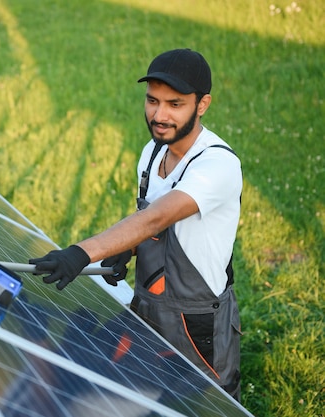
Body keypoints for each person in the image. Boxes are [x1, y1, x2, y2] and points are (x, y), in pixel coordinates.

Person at [29, 48, 243, 400]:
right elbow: (149, 226)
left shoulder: (216, 165)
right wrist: (126, 251)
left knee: (201, 404)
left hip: (197, 325)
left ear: (202, 104)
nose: (159, 115)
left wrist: (83, 253)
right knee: (101, 384)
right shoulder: (153, 151)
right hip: (146, 307)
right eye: (152, 101)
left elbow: (157, 217)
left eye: (175, 104)